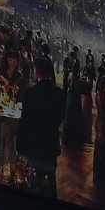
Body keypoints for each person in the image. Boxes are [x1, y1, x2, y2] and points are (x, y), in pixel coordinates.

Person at [14, 57, 64, 199]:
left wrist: (20, 143)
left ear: (37, 71)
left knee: (35, 180)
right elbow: (59, 119)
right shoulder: (60, 94)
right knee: (51, 179)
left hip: (35, 142)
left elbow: (25, 120)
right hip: (51, 142)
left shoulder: (31, 92)